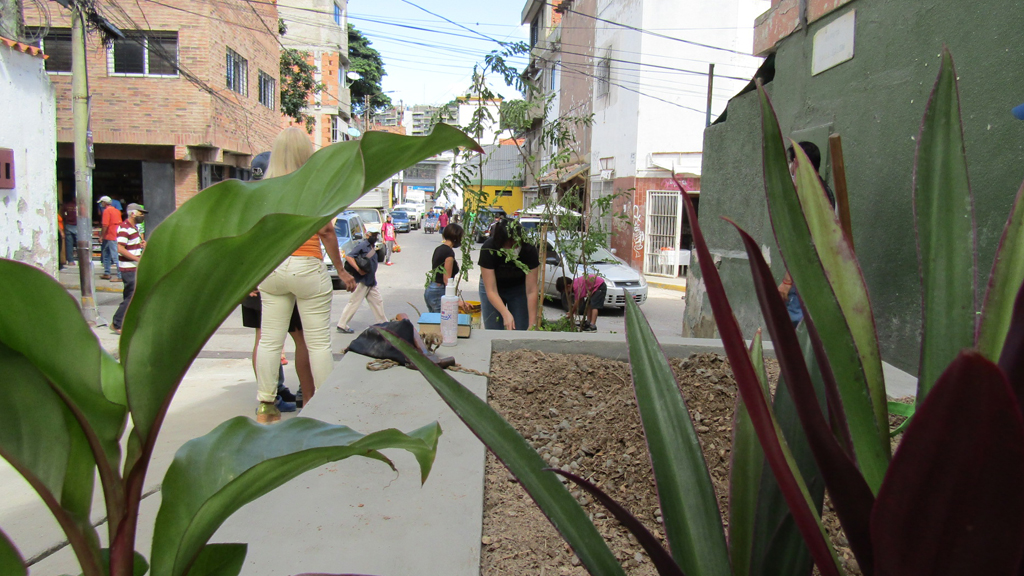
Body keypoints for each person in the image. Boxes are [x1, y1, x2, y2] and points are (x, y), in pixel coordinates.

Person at [255, 127, 355, 424]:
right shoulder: (311, 186)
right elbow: (325, 231)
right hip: (306, 266)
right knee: (318, 344)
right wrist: (339, 269)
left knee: (270, 342)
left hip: (272, 268)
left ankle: (265, 405)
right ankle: (325, 409)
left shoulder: (264, 188)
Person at [777, 140, 838, 327]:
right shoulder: (825, 190)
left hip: (804, 272)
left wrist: (788, 282)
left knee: (797, 328)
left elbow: (804, 240)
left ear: (797, 162)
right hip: (821, 271)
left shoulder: (810, 195)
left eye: (791, 162)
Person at [478, 218, 539, 330]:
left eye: (515, 244)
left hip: (518, 289)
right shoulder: (489, 248)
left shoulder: (528, 250)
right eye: (508, 245)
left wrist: (532, 324)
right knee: (493, 329)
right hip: (493, 287)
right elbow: (491, 290)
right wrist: (505, 313)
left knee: (521, 328)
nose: (512, 249)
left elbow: (531, 290)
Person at [336, 230, 388, 333]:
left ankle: (382, 323)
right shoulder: (363, 245)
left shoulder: (372, 246)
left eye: (375, 235)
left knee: (377, 302)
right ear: (367, 235)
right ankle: (342, 324)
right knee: (354, 302)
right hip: (362, 280)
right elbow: (349, 256)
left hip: (370, 280)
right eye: (372, 235)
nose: (374, 236)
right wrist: (359, 270)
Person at [111, 204, 147, 334]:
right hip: (128, 268)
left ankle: (125, 322)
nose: (142, 216)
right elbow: (120, 248)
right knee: (131, 296)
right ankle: (117, 323)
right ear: (133, 214)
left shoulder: (134, 228)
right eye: (140, 213)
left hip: (134, 267)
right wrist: (137, 259)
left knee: (129, 295)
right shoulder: (125, 228)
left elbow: (132, 245)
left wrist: (143, 244)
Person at [424, 223, 464, 313]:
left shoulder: (439, 249)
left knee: (434, 321)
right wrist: (456, 300)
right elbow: (447, 279)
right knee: (441, 321)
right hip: (439, 291)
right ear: (456, 238)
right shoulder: (449, 253)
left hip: (431, 289)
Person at [98, 196, 122, 281]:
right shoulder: (117, 211)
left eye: (101, 202)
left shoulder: (106, 211)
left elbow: (105, 225)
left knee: (114, 256)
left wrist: (101, 236)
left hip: (110, 235)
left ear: (104, 203)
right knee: (106, 254)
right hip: (115, 234)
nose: (101, 204)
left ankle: (120, 275)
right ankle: (106, 272)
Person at [62, 199, 78, 266]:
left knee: (69, 244)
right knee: (80, 244)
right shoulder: (79, 206)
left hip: (68, 225)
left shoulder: (66, 205)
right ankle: (82, 260)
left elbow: (63, 214)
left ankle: (70, 261)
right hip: (77, 225)